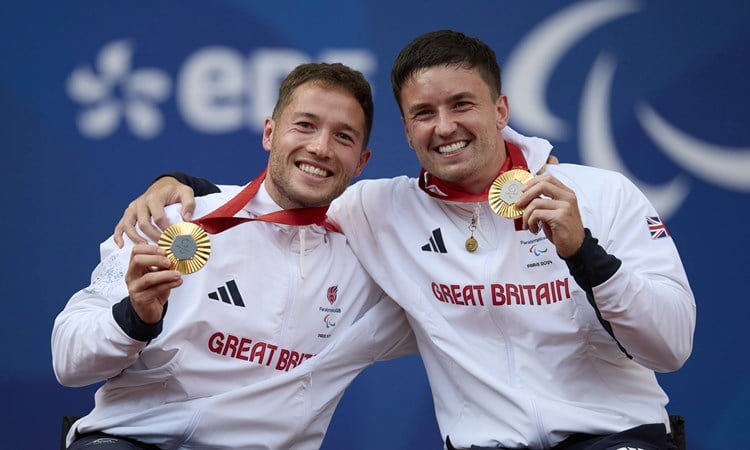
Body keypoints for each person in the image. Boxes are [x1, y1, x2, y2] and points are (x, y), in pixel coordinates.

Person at [116, 30, 695, 450]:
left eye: (462, 104)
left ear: (500, 109)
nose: (444, 126)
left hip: (616, 436)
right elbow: (286, 190)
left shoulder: (601, 195)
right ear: (406, 131)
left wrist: (585, 253)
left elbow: (671, 347)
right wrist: (179, 187)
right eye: (423, 113)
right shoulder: (381, 207)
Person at [52, 62, 417, 450]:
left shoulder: (366, 262)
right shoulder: (172, 218)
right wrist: (134, 318)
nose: (320, 147)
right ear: (270, 133)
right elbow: (68, 362)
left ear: (361, 162)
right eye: (305, 125)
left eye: (343, 137)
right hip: (136, 440)